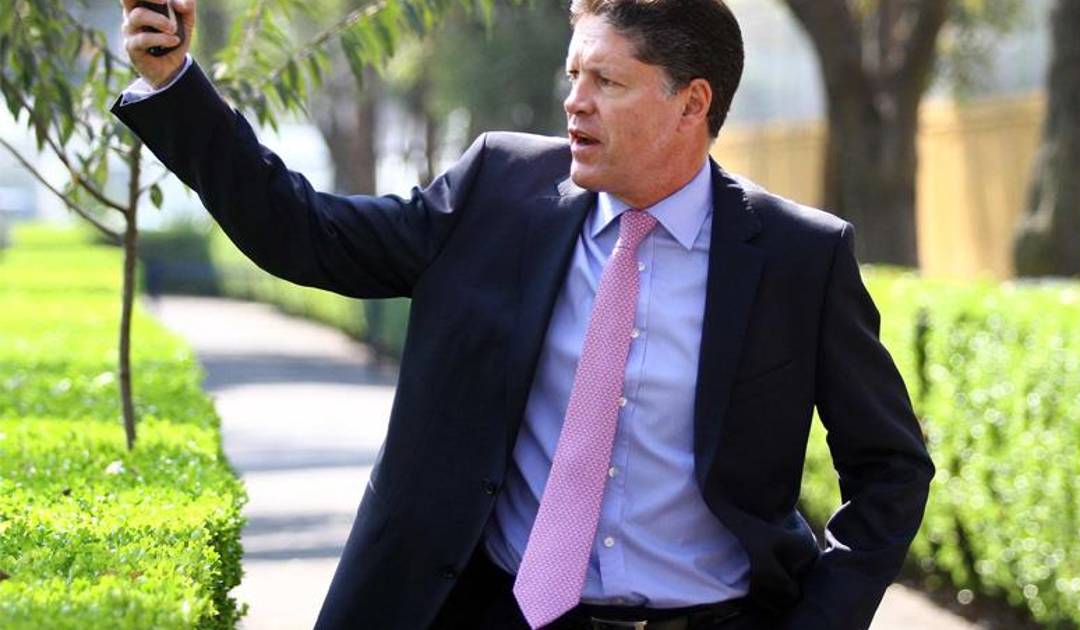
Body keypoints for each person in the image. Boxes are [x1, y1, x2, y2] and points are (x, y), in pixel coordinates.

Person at [114, 0, 934, 628]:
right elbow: (305, 235)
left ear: (692, 104)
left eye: (607, 82)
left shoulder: (799, 257)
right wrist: (175, 83)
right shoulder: (497, 191)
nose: (575, 103)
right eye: (573, 76)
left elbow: (891, 468)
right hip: (500, 613)